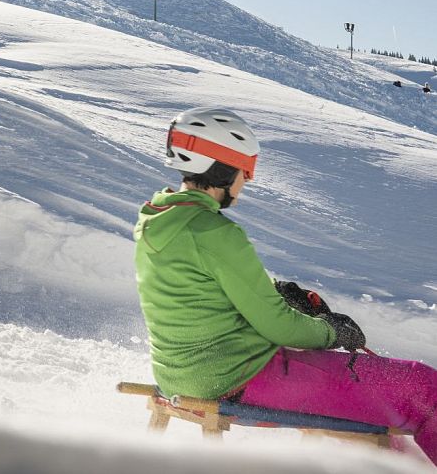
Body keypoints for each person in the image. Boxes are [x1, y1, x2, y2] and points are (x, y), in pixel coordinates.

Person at [134, 106, 437, 464]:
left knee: (371, 403)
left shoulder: (158, 220)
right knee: (422, 386)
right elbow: (277, 325)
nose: (247, 179)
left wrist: (273, 292)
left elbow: (201, 292)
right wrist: (333, 332)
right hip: (241, 376)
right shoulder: (214, 232)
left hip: (184, 376)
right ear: (222, 167)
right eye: (246, 168)